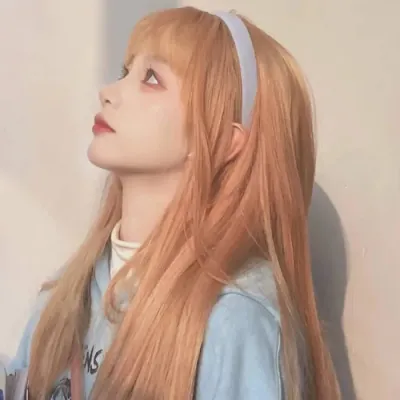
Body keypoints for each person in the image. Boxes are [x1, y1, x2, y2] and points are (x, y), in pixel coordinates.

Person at [7, 6, 340, 400]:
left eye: (151, 78)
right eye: (125, 71)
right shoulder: (64, 296)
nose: (109, 92)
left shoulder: (235, 320)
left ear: (221, 141)